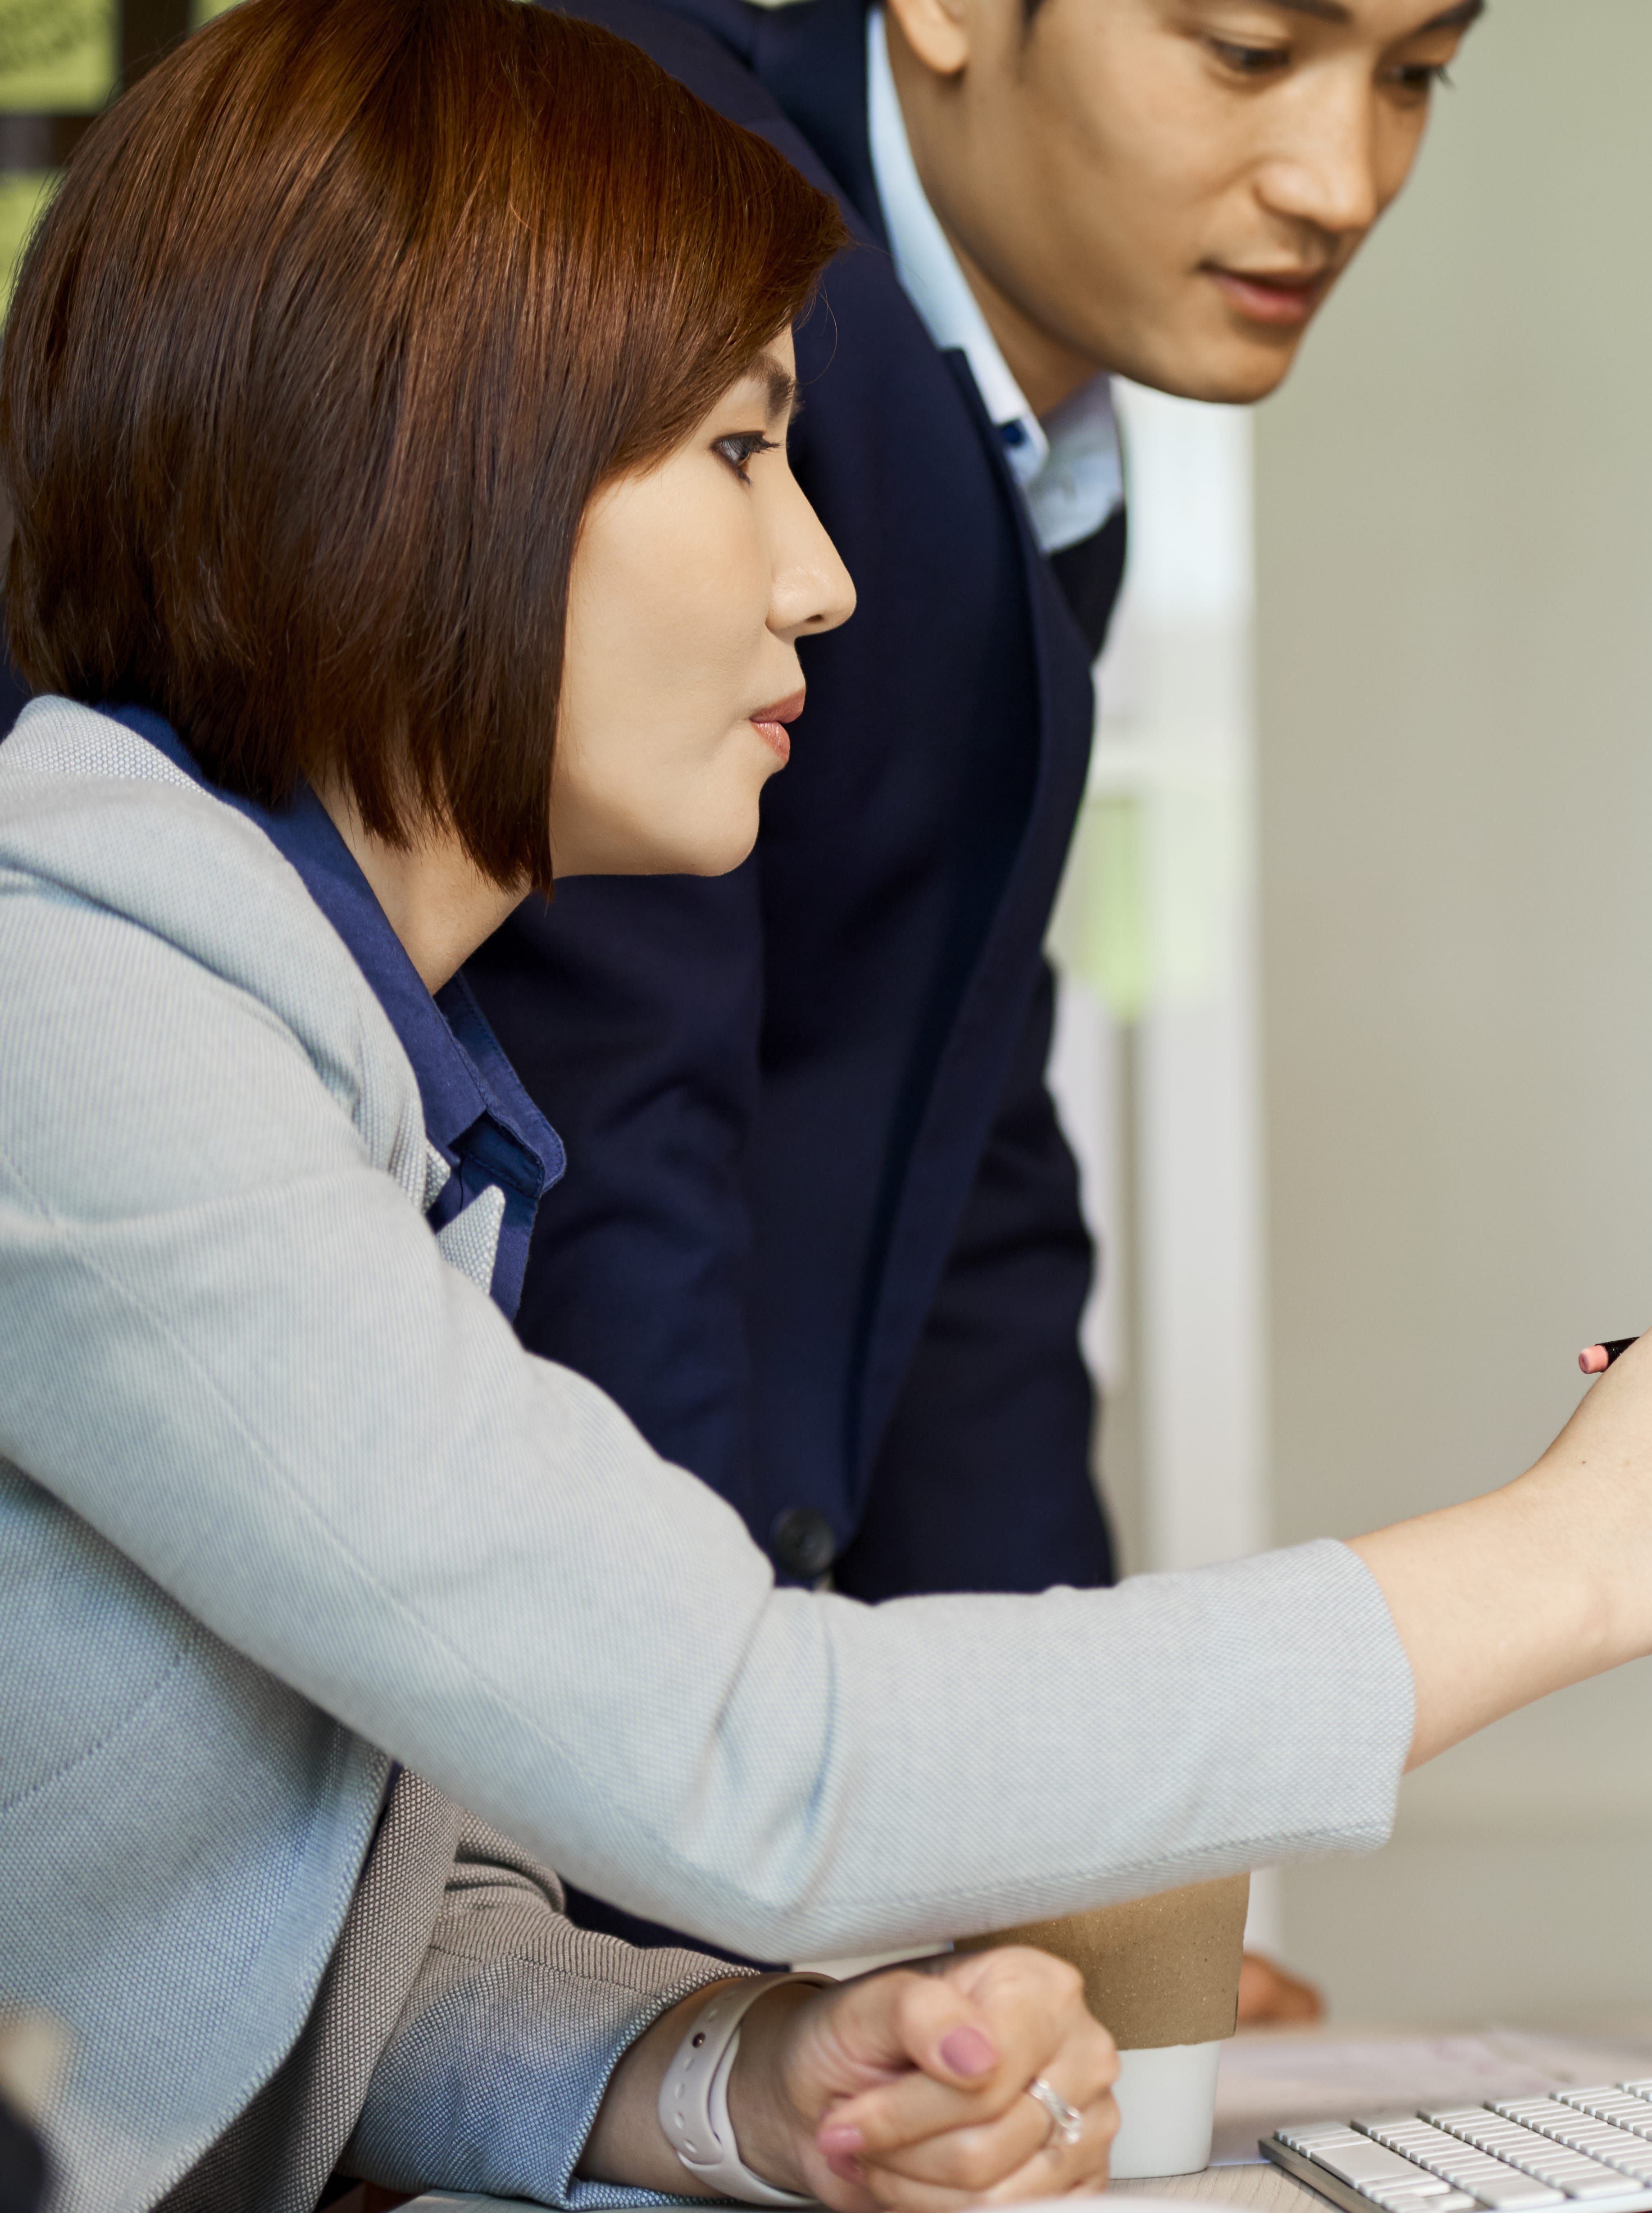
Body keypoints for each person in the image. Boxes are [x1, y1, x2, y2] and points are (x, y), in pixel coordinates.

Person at [0, 4, 1652, 2209]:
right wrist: (1574, 1554)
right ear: (424, 459)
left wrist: (745, 2074)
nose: (824, 575)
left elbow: (301, 1943)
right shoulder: (79, 1008)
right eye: (742, 451)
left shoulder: (324, 1055)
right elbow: (749, 1743)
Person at [458, 0, 1480, 1628]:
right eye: (1247, 52)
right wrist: (726, 1745)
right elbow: (609, 1138)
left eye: (1417, 75)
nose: (1341, 183)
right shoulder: (650, 202)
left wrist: (1079, 1765)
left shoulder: (1032, 447)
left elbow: (944, 1114)